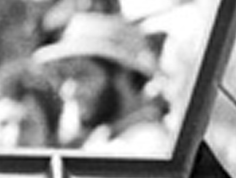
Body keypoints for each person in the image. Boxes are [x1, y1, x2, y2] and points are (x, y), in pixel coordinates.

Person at [34, 11, 174, 153]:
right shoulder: (103, 139)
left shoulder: (148, 146)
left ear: (122, 75)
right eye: (64, 76)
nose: (69, 90)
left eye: (82, 75)